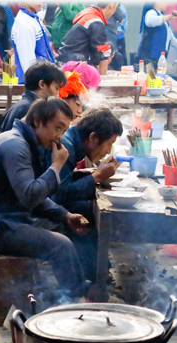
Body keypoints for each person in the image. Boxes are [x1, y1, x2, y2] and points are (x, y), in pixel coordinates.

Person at [0, 96, 92, 299]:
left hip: (11, 219)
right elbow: (29, 196)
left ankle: (74, 290)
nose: (59, 137)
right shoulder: (14, 145)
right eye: (57, 128)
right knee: (61, 245)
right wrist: (56, 166)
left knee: (68, 227)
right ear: (37, 121)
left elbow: (33, 194)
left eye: (64, 130)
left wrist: (65, 215)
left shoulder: (26, 142)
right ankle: (77, 299)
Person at [41, 108, 123, 280]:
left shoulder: (73, 141)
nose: (109, 151)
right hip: (31, 208)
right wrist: (97, 176)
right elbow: (58, 195)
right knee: (85, 211)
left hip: (41, 198)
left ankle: (95, 271)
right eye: (109, 143)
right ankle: (90, 279)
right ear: (93, 137)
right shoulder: (68, 146)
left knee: (88, 207)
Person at [0, 60, 67, 132]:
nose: (57, 93)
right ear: (42, 84)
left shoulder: (18, 106)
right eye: (56, 88)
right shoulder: (34, 109)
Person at [55, 3, 118, 76]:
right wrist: (102, 81)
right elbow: (102, 53)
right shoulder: (95, 21)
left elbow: (95, 52)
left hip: (66, 60)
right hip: (74, 64)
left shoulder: (89, 15)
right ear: (111, 6)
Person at [136, 3, 177, 69]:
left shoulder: (163, 19)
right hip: (148, 59)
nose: (167, 3)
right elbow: (150, 21)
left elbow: (173, 41)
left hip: (157, 60)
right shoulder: (151, 12)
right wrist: (169, 16)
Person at [11, 2, 55, 84]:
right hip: (35, 82)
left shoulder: (34, 17)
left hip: (43, 77)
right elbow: (27, 61)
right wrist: (36, 85)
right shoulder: (24, 25)